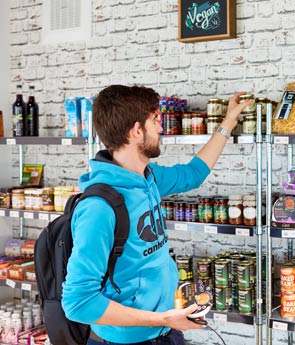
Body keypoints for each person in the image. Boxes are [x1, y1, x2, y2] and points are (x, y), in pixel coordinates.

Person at [61, 85, 251, 345]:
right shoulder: (98, 208)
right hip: (124, 341)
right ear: (136, 131)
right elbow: (78, 303)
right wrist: (161, 319)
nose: (161, 128)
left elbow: (194, 173)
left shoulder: (148, 178)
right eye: (155, 120)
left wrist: (229, 120)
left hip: (165, 331)